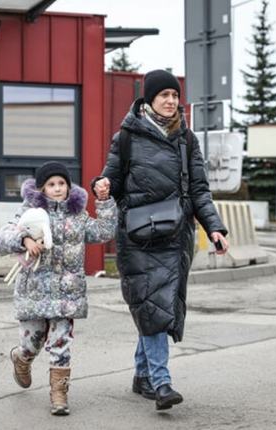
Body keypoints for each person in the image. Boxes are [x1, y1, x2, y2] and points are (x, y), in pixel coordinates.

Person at [92, 69, 230, 411]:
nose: (171, 101)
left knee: (156, 307)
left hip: (175, 236)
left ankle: (143, 375)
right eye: (163, 95)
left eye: (174, 95)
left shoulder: (186, 139)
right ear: (149, 98)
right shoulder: (126, 137)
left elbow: (199, 190)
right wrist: (102, 186)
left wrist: (214, 227)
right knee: (153, 306)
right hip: (138, 237)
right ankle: (161, 382)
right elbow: (111, 180)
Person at [0, 161, 117, 416]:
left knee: (61, 343)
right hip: (34, 292)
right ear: (42, 188)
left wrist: (104, 201)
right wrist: (25, 239)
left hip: (66, 294)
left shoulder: (78, 216)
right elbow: (1, 237)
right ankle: (22, 358)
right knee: (33, 342)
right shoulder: (30, 212)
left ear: (68, 187)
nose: (58, 188)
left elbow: (104, 231)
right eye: (51, 184)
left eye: (62, 183)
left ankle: (59, 394)